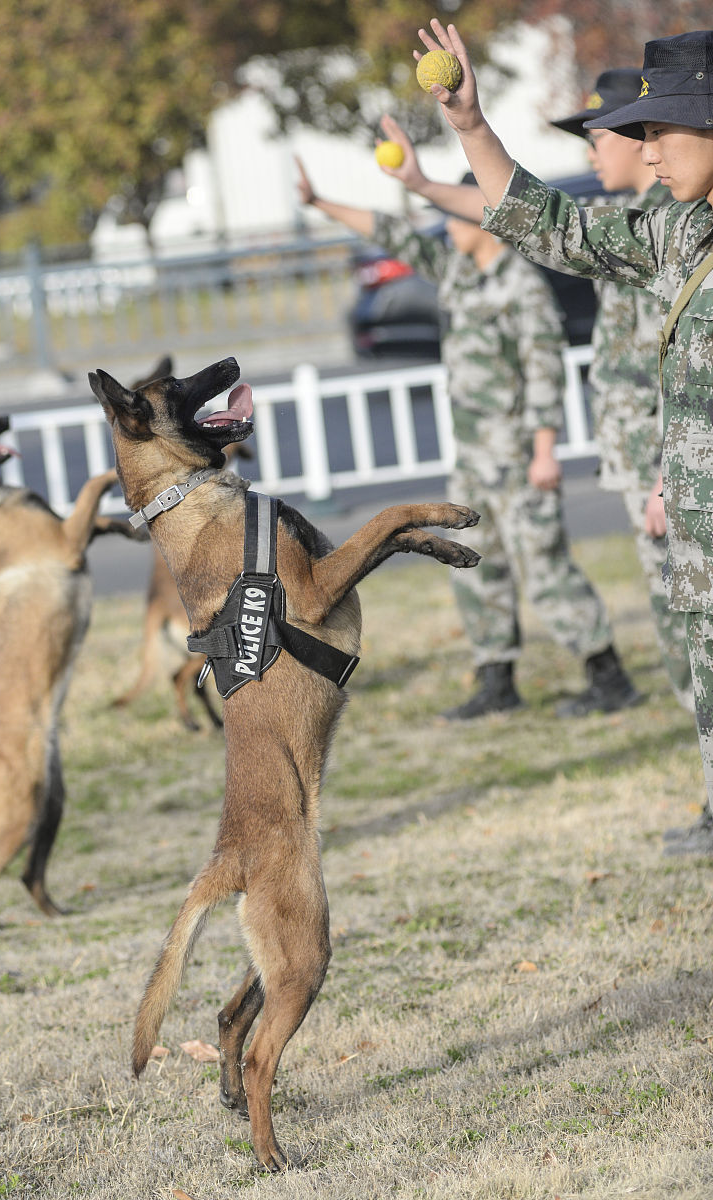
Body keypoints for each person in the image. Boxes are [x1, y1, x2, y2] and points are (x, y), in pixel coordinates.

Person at [414, 19, 713, 849]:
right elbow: (559, 229)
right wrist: (472, 127)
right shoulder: (684, 232)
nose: (648, 152)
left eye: (661, 129)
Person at [296, 149, 640, 719]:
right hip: (474, 458)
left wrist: (545, 452)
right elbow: (392, 234)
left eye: (454, 217)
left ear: (481, 219)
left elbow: (545, 371)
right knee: (477, 567)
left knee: (545, 567)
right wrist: (319, 202)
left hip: (519, 456)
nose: (446, 228)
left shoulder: (522, 286)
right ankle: (496, 679)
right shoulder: (457, 271)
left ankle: (608, 675)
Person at [551, 70, 694, 715]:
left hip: (671, 462)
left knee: (687, 620)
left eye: (599, 136)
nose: (590, 153)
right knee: (674, 619)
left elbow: (683, 366)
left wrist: (667, 468)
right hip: (649, 460)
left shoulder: (674, 225)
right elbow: (541, 223)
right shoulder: (647, 223)